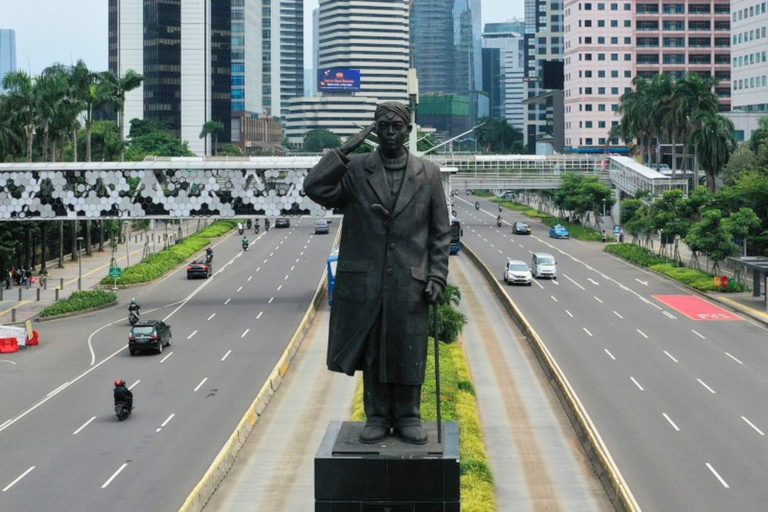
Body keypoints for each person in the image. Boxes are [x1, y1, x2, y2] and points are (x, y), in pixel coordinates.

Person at [304, 101, 450, 446]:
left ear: (408, 131)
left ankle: (409, 415)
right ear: (374, 131)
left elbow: (440, 232)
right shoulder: (356, 169)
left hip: (410, 281)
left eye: (396, 127)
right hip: (367, 282)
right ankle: (378, 416)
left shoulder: (428, 173)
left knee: (408, 348)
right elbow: (314, 188)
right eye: (383, 127)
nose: (390, 133)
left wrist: (436, 276)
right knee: (373, 350)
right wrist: (344, 150)